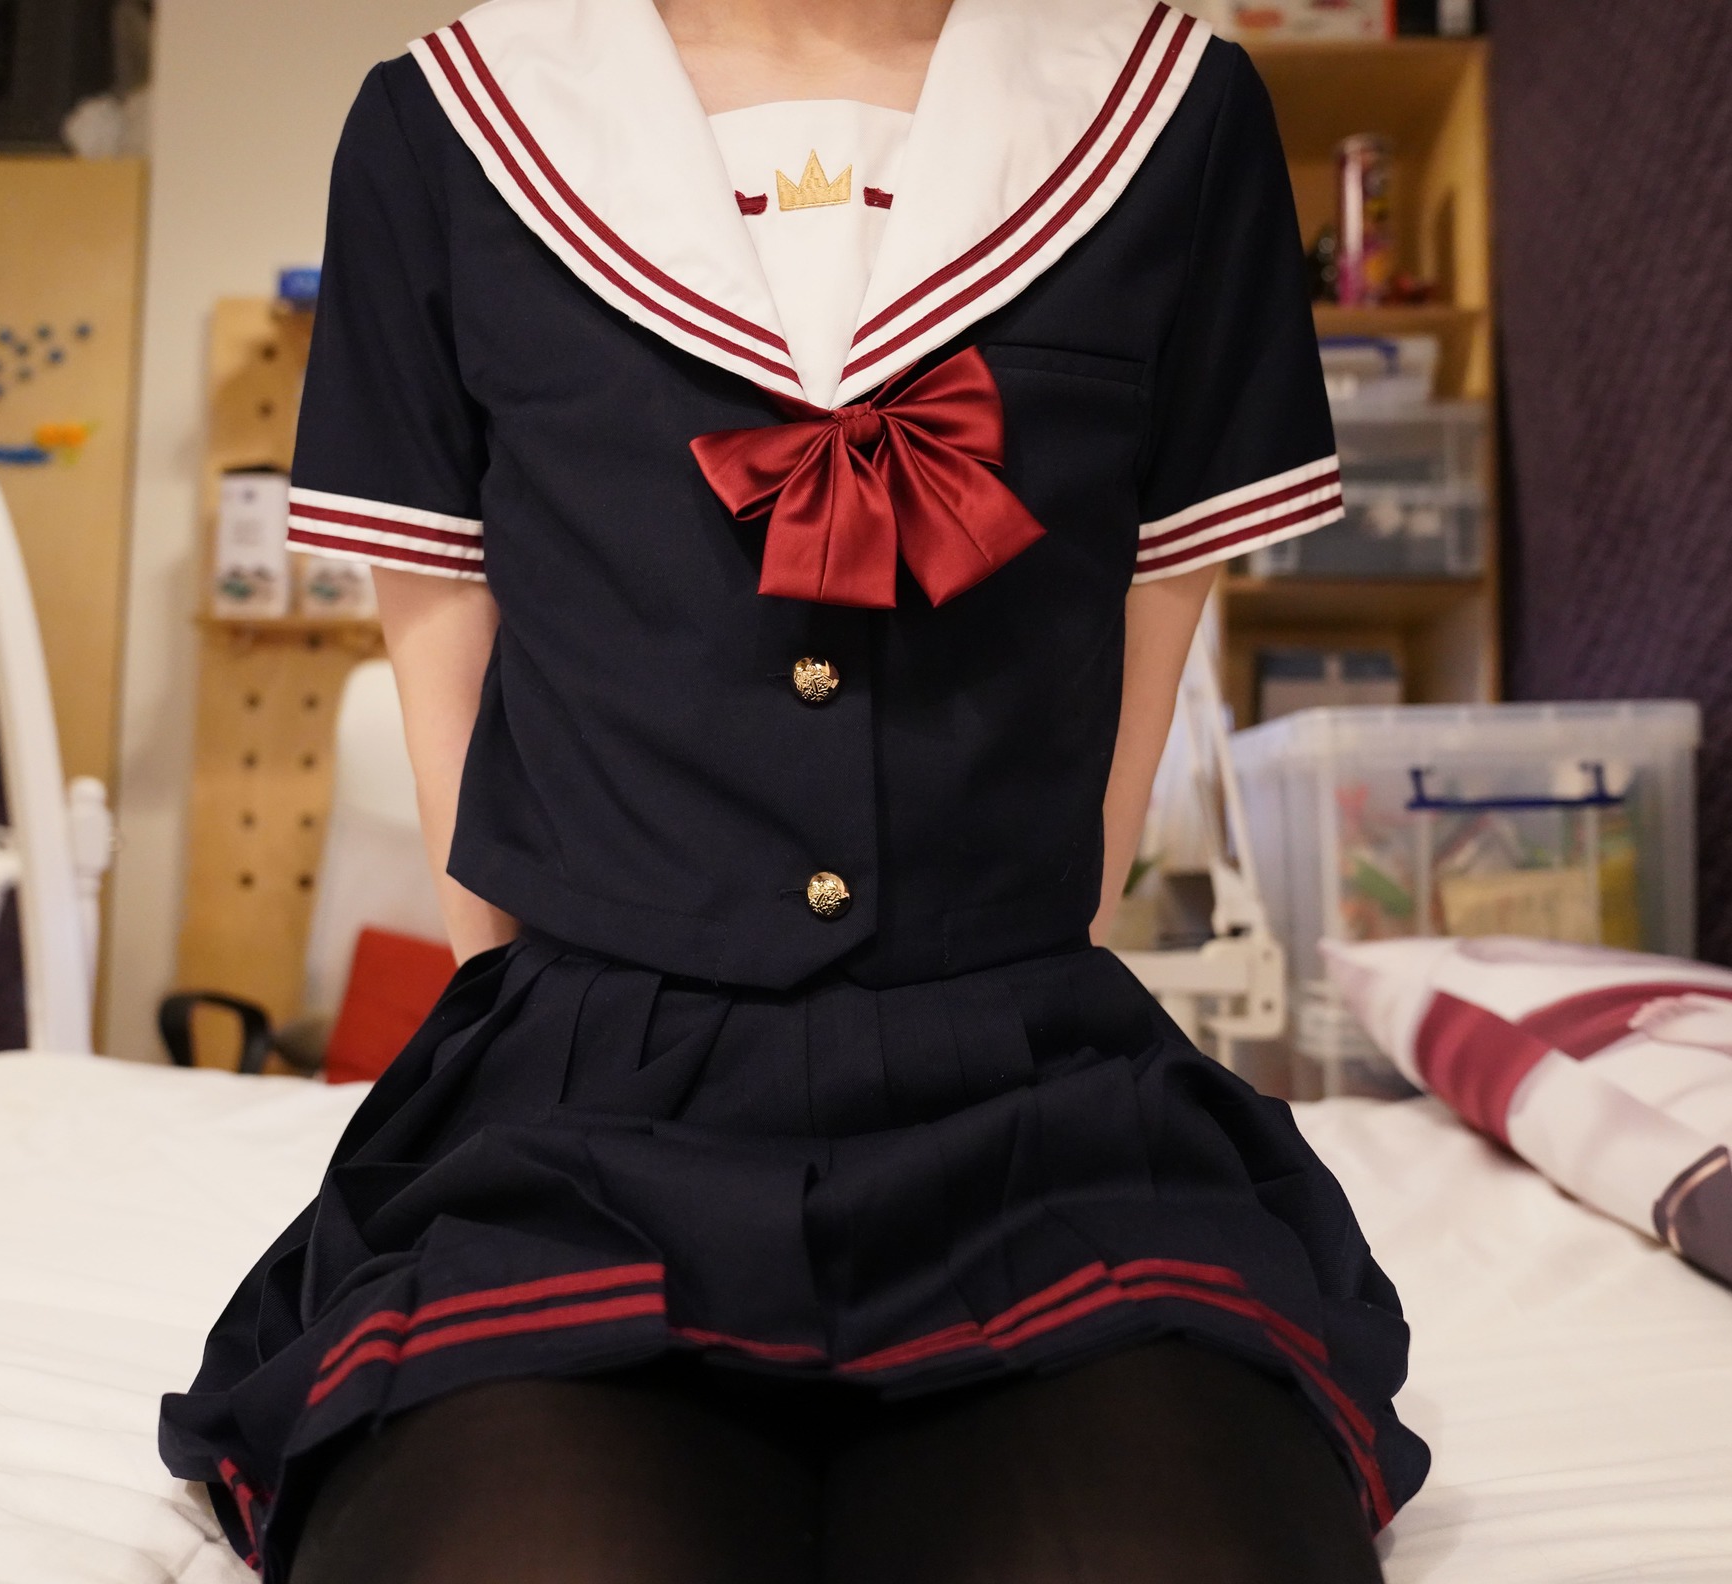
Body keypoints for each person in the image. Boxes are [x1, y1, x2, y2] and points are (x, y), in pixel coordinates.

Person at [159, 0, 1428, 1576]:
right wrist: (531, 1035)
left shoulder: (1171, 113)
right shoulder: (449, 123)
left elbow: (1149, 630)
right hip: (582, 1103)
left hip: (1030, 1095)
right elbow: (447, 646)